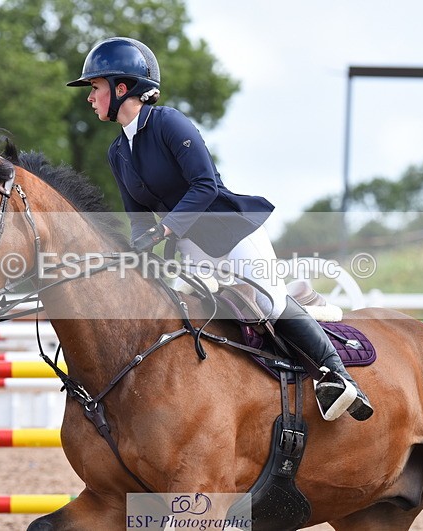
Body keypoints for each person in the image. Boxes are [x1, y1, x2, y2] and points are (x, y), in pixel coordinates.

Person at [66, 37, 372, 422]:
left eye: (95, 88)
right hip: (191, 249)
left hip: (230, 232)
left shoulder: (169, 123)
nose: (90, 98)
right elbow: (139, 218)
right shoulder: (118, 152)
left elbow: (205, 185)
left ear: (121, 88)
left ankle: (336, 377)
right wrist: (130, 256)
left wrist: (166, 231)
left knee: (268, 304)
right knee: (185, 316)